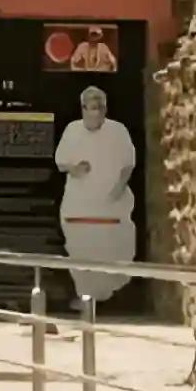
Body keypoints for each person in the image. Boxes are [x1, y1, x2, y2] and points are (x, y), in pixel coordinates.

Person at [55, 86, 136, 305]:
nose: (96, 113)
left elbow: (128, 165)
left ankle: (107, 294)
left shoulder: (118, 131)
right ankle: (86, 294)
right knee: (81, 249)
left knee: (111, 249)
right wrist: (74, 168)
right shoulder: (72, 130)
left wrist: (117, 190)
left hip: (110, 207)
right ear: (83, 109)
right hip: (79, 207)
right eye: (91, 108)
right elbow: (61, 162)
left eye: (100, 108)